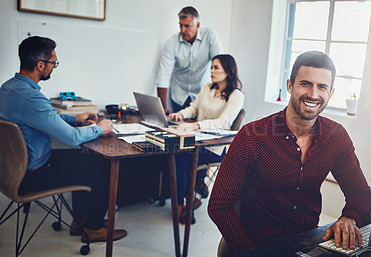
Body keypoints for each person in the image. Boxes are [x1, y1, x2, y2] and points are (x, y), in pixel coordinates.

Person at [208, 51, 371, 257]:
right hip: (255, 247)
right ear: (290, 86)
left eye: (322, 87)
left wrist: (349, 218)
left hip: (307, 246)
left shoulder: (336, 136)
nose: (313, 94)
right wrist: (252, 255)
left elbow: (361, 194)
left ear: (330, 93)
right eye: (305, 83)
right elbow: (219, 205)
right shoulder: (252, 135)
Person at [0, 36, 127, 242]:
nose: (54, 67)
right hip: (31, 176)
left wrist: (75, 117)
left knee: (81, 160)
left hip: (10, 171)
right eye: (53, 63)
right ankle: (93, 228)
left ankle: (80, 221)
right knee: (102, 165)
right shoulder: (32, 97)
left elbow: (43, 118)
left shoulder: (8, 89)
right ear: (40, 65)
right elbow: (72, 137)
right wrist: (98, 128)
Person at [169, 54, 244, 224]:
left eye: (216, 67)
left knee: (180, 158)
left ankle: (181, 205)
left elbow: (224, 122)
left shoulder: (236, 95)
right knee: (174, 153)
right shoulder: (207, 88)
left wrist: (195, 126)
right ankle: (188, 198)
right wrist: (179, 114)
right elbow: (193, 108)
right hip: (197, 141)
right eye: (211, 67)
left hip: (216, 149)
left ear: (228, 71)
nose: (211, 71)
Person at [156, 6, 223, 114]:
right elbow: (163, 76)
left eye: (187, 26)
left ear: (198, 25)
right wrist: (162, 108)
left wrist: (220, 98)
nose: (183, 30)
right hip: (179, 96)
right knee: (180, 127)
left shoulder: (210, 36)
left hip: (202, 94)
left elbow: (220, 65)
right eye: (180, 25)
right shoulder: (171, 43)